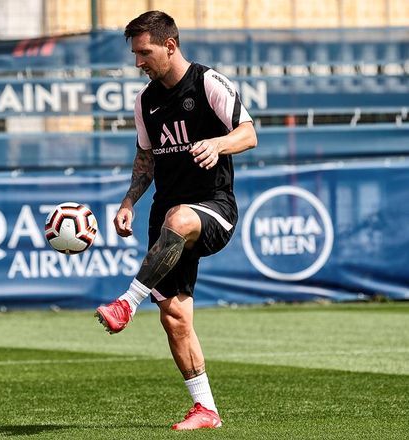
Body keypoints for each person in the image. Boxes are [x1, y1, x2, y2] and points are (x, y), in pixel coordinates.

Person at [94, 10, 257, 431]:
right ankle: (206, 409)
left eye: (144, 52)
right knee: (175, 317)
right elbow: (146, 158)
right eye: (134, 54)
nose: (138, 63)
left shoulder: (207, 82)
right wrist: (130, 200)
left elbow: (249, 132)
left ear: (170, 45)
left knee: (180, 216)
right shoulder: (145, 101)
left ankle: (125, 303)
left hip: (212, 208)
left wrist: (219, 144)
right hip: (163, 213)